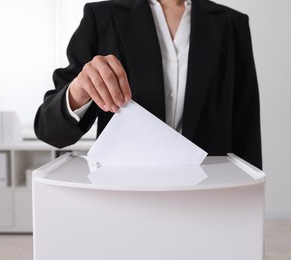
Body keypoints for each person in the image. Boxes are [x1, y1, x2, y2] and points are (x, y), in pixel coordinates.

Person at [34, 0, 263, 169]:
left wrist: (249, 202)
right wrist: (79, 90)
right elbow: (49, 130)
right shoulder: (102, 16)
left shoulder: (232, 24)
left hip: (207, 193)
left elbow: (246, 127)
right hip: (127, 194)